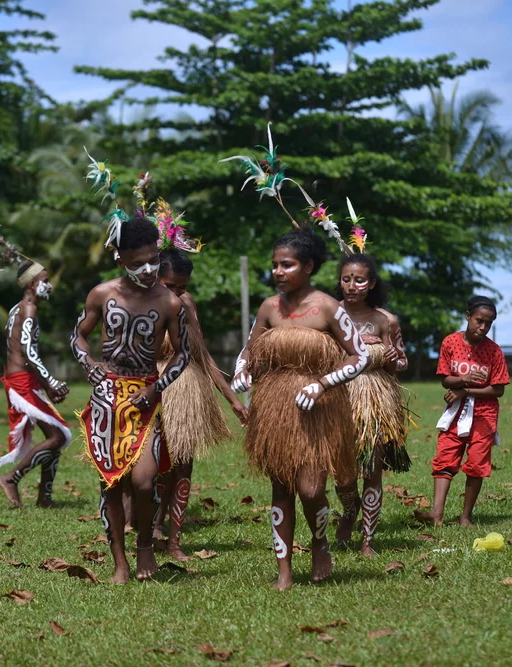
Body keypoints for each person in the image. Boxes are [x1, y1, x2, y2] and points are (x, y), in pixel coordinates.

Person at [231, 228, 369, 590]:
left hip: (318, 408)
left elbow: (360, 356)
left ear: (308, 266)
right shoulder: (268, 308)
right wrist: (242, 369)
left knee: (310, 490)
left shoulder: (327, 306)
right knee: (281, 489)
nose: (278, 271)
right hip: (275, 408)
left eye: (287, 265)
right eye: (275, 265)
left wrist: (323, 383)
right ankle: (285, 570)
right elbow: (250, 349)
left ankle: (320, 543)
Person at [70, 215, 190, 583]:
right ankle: (120, 562)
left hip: (146, 398)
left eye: (154, 259)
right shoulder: (102, 294)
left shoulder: (170, 302)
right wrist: (89, 364)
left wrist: (156, 388)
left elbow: (183, 354)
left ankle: (144, 546)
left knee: (143, 482)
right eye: (139, 263)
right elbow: (78, 337)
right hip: (108, 398)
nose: (150, 269)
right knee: (111, 482)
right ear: (120, 259)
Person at [153, 247, 248, 561]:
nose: (178, 293)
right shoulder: (137, 303)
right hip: (149, 390)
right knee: (152, 467)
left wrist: (232, 400)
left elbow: (203, 354)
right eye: (171, 287)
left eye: (182, 287)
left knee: (182, 466)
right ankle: (148, 527)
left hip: (186, 391)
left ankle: (175, 542)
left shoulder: (186, 303)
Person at [330, 252, 410, 556]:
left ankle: (368, 538)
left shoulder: (385, 320)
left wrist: (392, 356)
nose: (352, 285)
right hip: (338, 395)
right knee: (343, 472)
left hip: (374, 398)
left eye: (359, 280)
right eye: (346, 279)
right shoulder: (328, 313)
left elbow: (401, 363)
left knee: (372, 468)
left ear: (371, 283)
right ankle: (350, 510)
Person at [0, 260, 71, 508]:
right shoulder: (28, 309)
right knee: (58, 435)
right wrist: (50, 382)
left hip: (20, 379)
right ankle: (11, 478)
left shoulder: (16, 309)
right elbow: (28, 351)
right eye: (45, 281)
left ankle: (45, 497)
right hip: (22, 383)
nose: (49, 286)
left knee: (55, 434)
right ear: (32, 284)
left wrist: (44, 384)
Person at [431, 296, 509, 526]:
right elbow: (446, 379)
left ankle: (466, 516)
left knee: (476, 463)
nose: (483, 327)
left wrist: (465, 391)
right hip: (455, 412)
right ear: (467, 316)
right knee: (445, 458)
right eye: (479, 321)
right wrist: (463, 380)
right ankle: (436, 515)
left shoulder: (494, 352)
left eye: (489, 323)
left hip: (484, 416)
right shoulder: (450, 343)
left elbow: (498, 390)